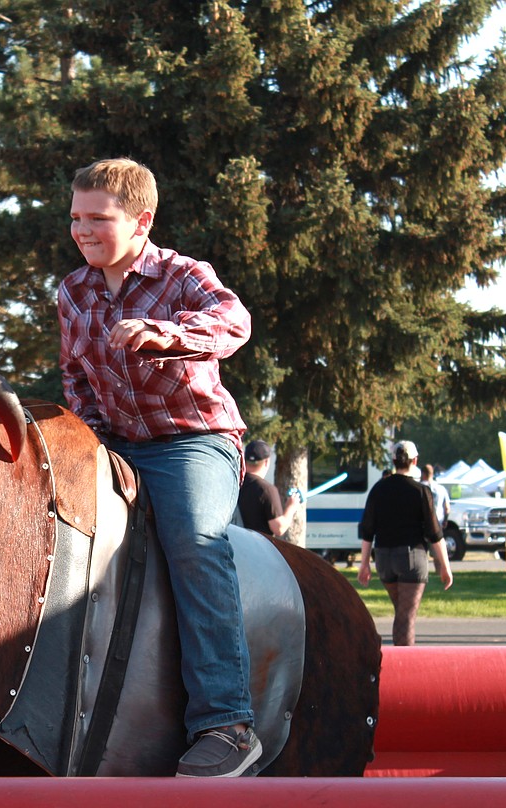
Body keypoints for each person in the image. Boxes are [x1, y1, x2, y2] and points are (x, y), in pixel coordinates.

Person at [58, 157, 258, 778]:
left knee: (195, 542)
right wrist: (92, 445)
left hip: (193, 440)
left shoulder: (182, 276)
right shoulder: (73, 291)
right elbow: (76, 380)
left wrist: (169, 335)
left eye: (99, 218)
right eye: (75, 218)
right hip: (115, 442)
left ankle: (227, 724)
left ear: (141, 222)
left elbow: (234, 321)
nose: (83, 230)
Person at [358, 441, 452, 645]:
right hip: (411, 557)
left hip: (383, 558)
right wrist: (445, 566)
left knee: (401, 612)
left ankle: (399, 661)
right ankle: (405, 667)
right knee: (406, 616)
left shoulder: (378, 489)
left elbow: (367, 530)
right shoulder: (420, 491)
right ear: (415, 461)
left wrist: (364, 564)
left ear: (393, 461)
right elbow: (435, 532)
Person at [237, 440, 301, 539]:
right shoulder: (267, 490)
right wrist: (291, 507)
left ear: (244, 460)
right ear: (267, 462)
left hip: (235, 545)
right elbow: (278, 528)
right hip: (257, 548)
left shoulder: (236, 483)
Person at [421, 463, 450, 530]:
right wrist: (445, 520)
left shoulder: (419, 487)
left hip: (422, 524)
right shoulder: (441, 489)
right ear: (432, 473)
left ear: (423, 474)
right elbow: (447, 508)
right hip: (437, 522)